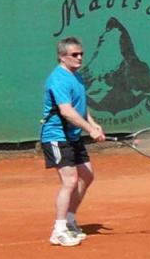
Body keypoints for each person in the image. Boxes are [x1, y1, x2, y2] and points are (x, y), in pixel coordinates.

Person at [40, 37, 106, 247]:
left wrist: (93, 124)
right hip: (56, 136)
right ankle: (58, 231)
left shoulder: (76, 76)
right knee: (70, 181)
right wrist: (90, 130)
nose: (79, 58)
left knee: (87, 175)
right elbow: (67, 111)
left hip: (72, 136)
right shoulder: (58, 79)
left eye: (81, 54)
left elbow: (80, 106)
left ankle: (69, 220)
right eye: (74, 55)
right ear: (62, 57)